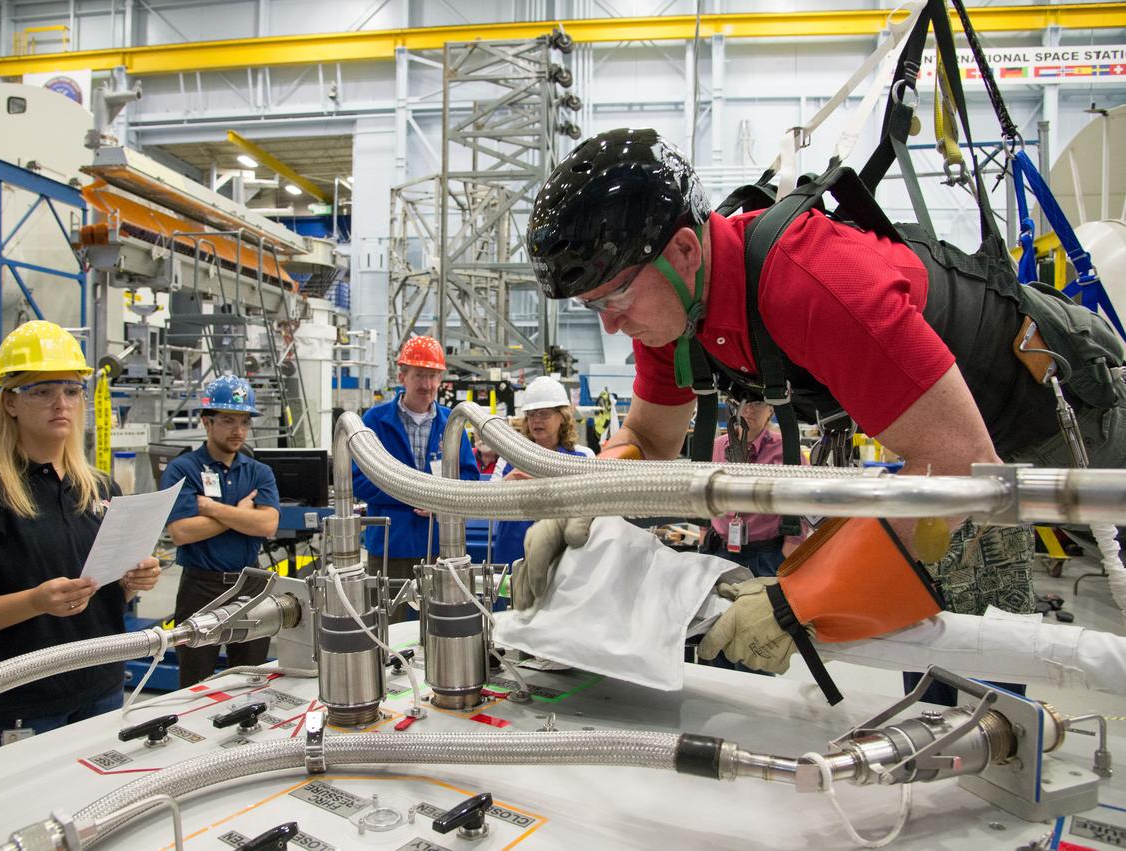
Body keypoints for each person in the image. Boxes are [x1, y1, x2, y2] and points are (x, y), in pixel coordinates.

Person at [525, 127, 1126, 679]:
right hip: (978, 448)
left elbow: (960, 469)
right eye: (593, 307)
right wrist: (585, 502)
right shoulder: (677, 314)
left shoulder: (809, 283)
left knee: (983, 653)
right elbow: (651, 440)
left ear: (685, 251)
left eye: (616, 298)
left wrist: (803, 597)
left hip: (1066, 415)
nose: (611, 327)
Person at [0, 320, 161, 756]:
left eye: (71, 390)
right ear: (10, 402)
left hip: (100, 687)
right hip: (15, 703)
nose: (61, 404)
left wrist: (128, 584)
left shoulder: (100, 490)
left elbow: (100, 597)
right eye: (42, 390)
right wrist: (34, 602)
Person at [162, 374, 280, 688]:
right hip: (200, 587)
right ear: (207, 422)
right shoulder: (182, 469)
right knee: (195, 682)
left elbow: (268, 524)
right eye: (228, 420)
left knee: (251, 680)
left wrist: (213, 509)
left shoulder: (259, 471)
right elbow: (182, 532)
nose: (238, 430)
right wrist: (241, 516)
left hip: (251, 586)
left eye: (244, 422)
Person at [351, 336, 479, 581]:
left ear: (441, 379)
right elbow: (359, 478)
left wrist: (438, 502)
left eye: (432, 376)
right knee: (390, 616)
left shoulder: (451, 423)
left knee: (442, 617)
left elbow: (469, 477)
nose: (426, 384)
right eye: (419, 375)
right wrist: (411, 495)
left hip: (442, 545)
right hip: (391, 544)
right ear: (402, 377)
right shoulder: (375, 422)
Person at [489, 376, 594, 568]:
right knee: (514, 598)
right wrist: (505, 485)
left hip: (563, 554)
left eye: (544, 414)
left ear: (562, 417)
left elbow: (593, 507)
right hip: (513, 553)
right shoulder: (509, 457)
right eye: (531, 414)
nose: (536, 420)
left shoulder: (583, 457)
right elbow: (485, 503)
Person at [704, 398, 804, 577]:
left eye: (758, 404)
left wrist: (789, 550)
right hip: (719, 550)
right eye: (744, 402)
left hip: (768, 556)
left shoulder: (786, 449)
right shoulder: (718, 447)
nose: (749, 409)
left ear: (771, 410)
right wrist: (703, 533)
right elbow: (702, 493)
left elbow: (803, 499)